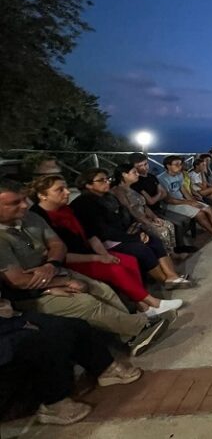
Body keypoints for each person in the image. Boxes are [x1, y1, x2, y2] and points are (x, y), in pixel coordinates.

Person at [0, 178, 169, 356]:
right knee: (86, 302)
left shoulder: (30, 219)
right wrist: (61, 283)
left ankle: (132, 334)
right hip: (31, 293)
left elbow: (58, 245)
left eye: (24, 200)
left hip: (55, 270)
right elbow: (18, 281)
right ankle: (140, 327)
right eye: (14, 203)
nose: (25, 206)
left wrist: (51, 264)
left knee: (102, 289)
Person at [29, 175, 184, 313]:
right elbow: (56, 252)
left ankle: (144, 305)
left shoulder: (67, 209)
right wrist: (98, 258)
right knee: (116, 267)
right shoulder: (39, 217)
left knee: (128, 261)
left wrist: (103, 254)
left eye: (66, 188)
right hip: (70, 260)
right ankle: (152, 303)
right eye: (60, 190)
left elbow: (91, 234)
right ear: (42, 195)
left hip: (88, 251)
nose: (67, 192)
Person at [1, 303, 142, 425]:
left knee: (74, 325)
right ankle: (53, 405)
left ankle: (104, 367)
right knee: (40, 342)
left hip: (8, 316)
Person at [70, 168, 189, 289]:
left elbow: (123, 216)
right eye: (101, 180)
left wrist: (138, 231)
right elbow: (103, 231)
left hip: (121, 234)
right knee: (142, 249)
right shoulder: (84, 204)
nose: (107, 182)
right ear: (88, 185)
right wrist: (134, 237)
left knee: (155, 241)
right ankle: (164, 281)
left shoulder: (108, 197)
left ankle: (172, 275)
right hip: (104, 242)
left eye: (107, 179)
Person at [112, 164, 184, 265]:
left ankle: (171, 253)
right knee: (162, 231)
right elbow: (130, 210)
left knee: (168, 225)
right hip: (135, 222)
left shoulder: (132, 188)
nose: (137, 174)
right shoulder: (118, 190)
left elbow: (144, 206)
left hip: (145, 217)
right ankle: (165, 259)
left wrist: (155, 218)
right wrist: (148, 222)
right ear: (124, 174)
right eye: (134, 172)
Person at [128, 153, 197, 255]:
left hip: (158, 207)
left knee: (184, 220)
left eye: (146, 164)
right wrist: (159, 194)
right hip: (150, 211)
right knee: (176, 223)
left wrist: (158, 195)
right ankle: (174, 250)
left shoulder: (151, 177)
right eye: (140, 166)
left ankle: (180, 246)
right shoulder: (137, 182)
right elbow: (150, 201)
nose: (144, 167)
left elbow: (163, 194)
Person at [158, 156, 212, 241]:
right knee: (199, 213)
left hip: (182, 200)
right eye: (176, 164)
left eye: (180, 164)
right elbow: (168, 200)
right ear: (168, 166)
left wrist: (192, 201)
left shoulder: (179, 175)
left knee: (208, 208)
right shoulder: (162, 179)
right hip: (171, 204)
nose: (180, 166)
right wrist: (189, 203)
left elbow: (184, 190)